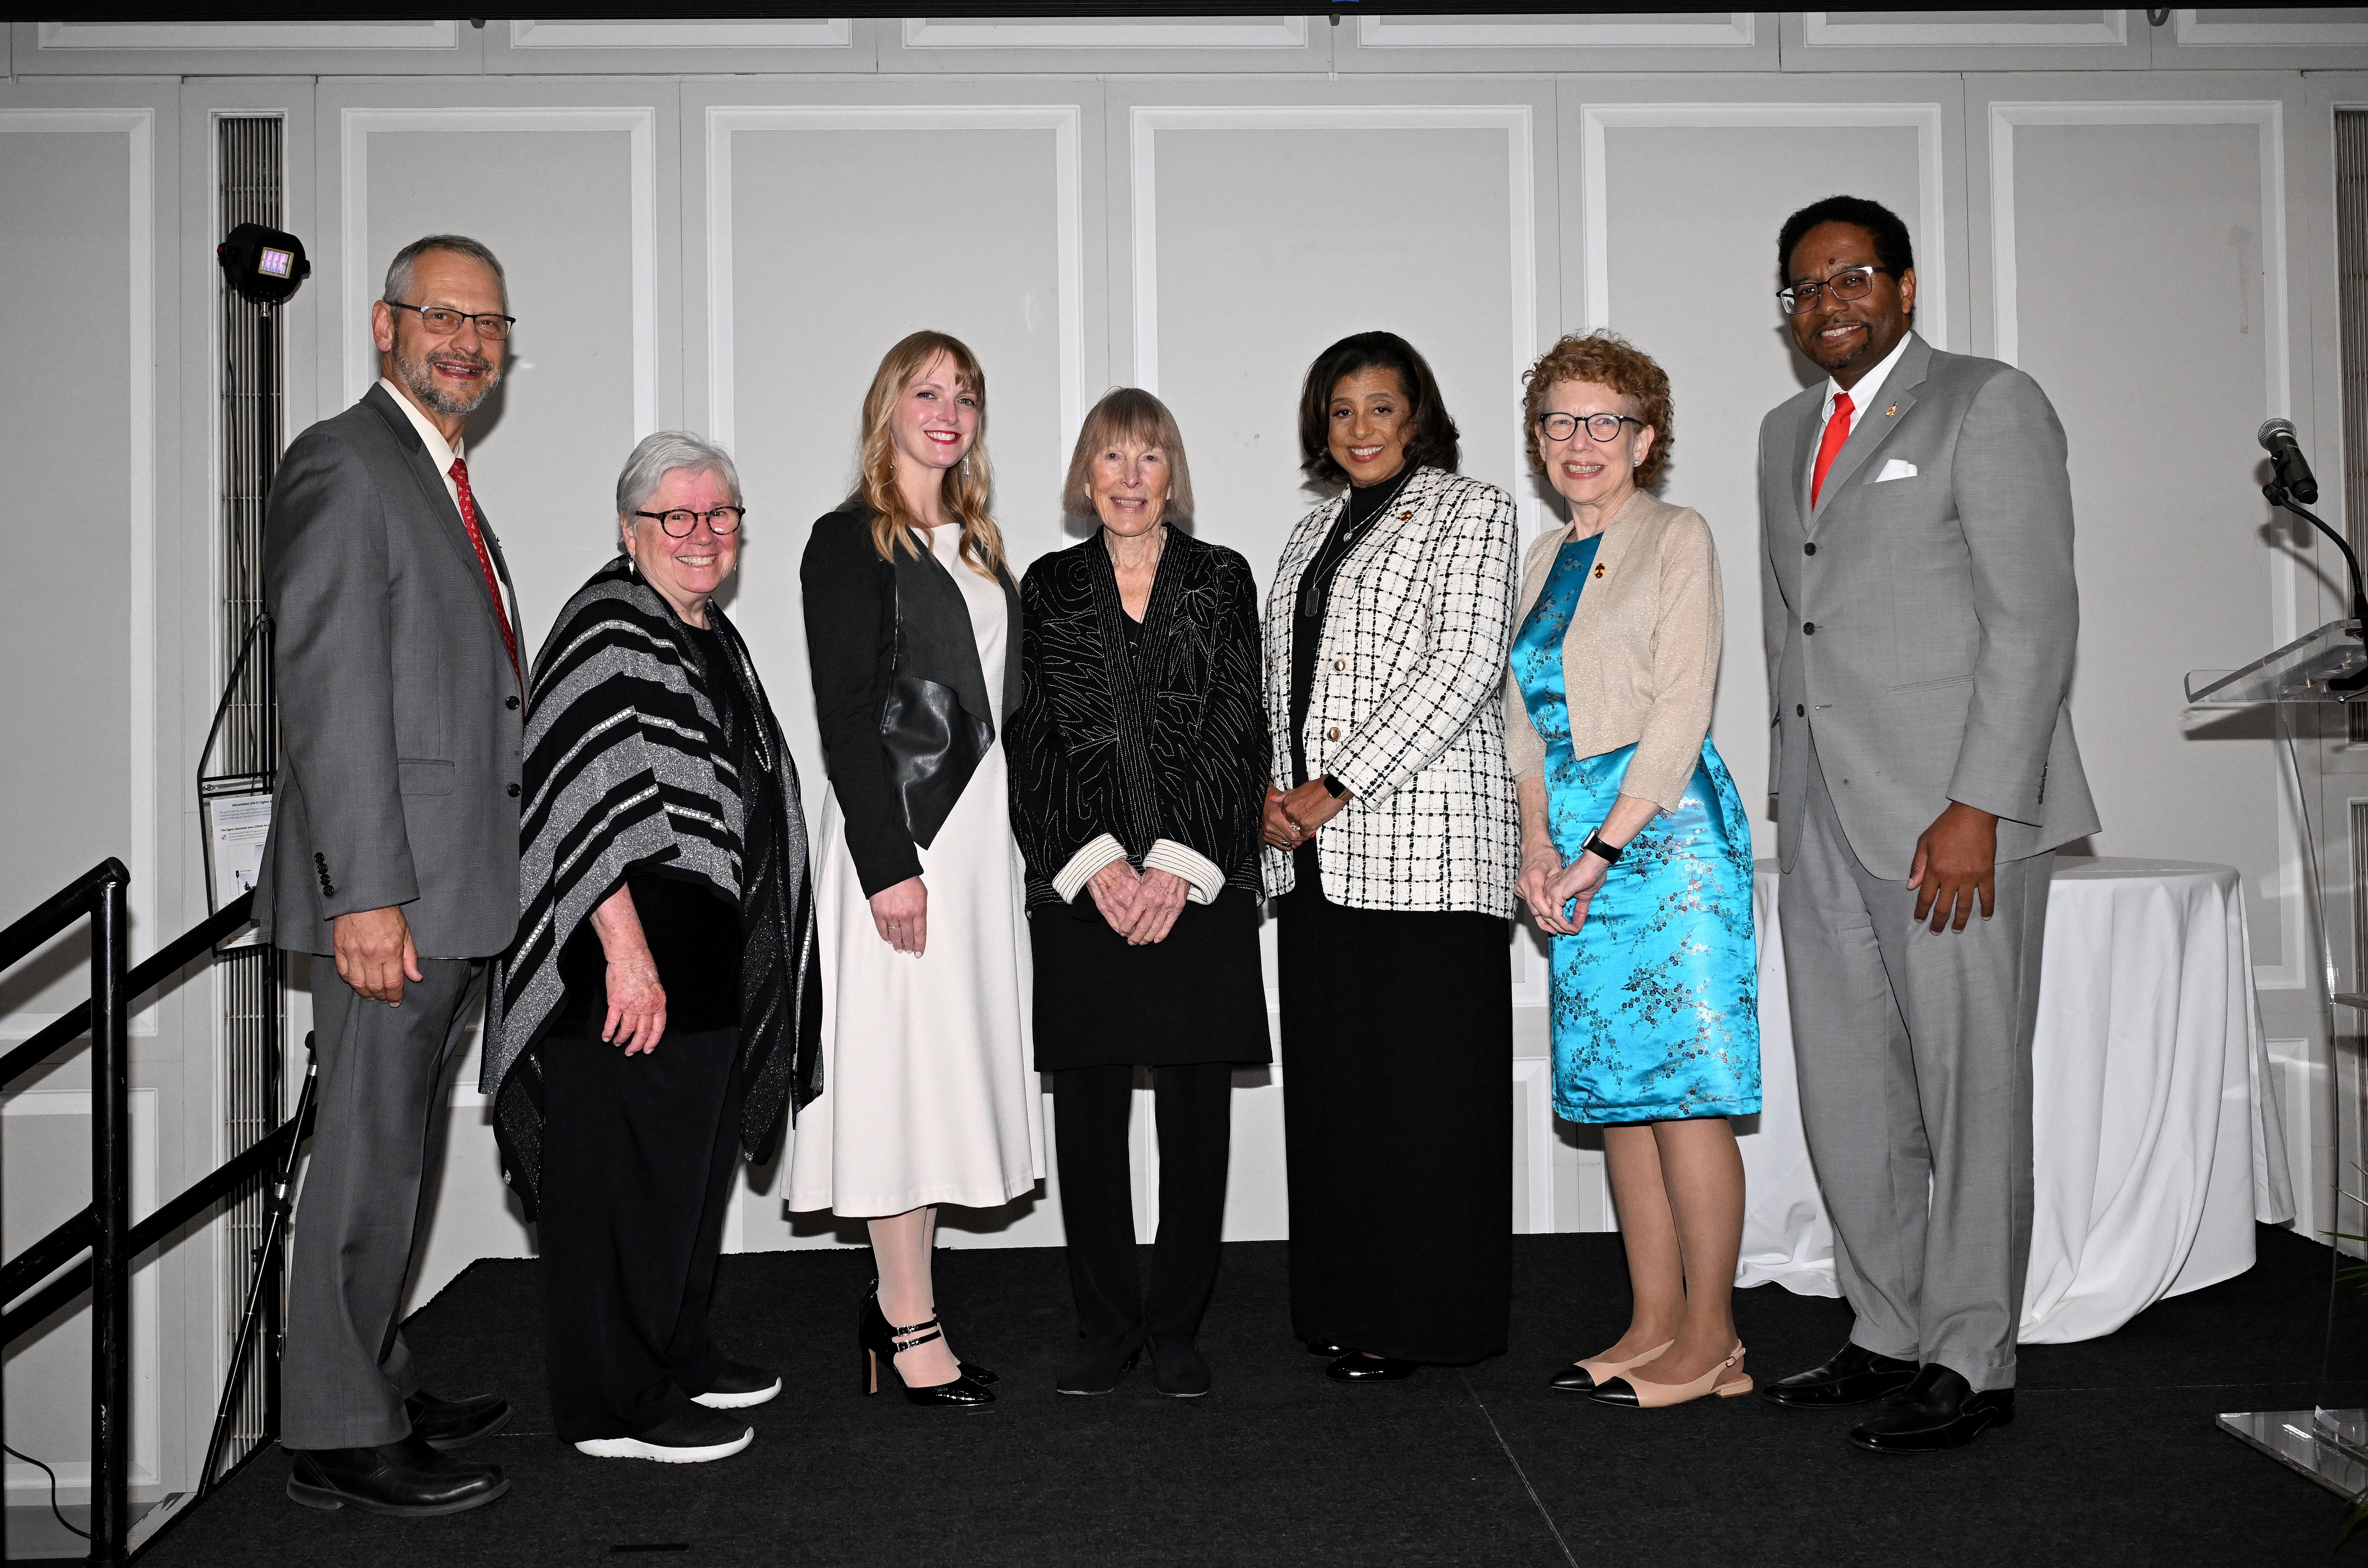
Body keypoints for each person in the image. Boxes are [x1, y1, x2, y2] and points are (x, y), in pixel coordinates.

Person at [1756, 195, 2096, 1453]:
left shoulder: (1986, 402)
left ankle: (1972, 1354)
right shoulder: (1784, 429)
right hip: (1829, 817)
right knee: (1850, 1090)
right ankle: (1885, 1326)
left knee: (1969, 1092)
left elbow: (2035, 619)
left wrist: (1980, 805)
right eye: (1803, 286)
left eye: (1851, 277)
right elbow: (1802, 627)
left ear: (1904, 285)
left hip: (1954, 820)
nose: (1827, 301)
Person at [483, 433, 823, 1463]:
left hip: (706, 957)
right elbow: (581, 794)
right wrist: (627, 953)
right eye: (678, 516)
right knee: (615, 1184)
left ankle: (673, 1351)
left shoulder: (706, 632)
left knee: (686, 1173)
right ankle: (609, 1402)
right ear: (630, 529)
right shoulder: (603, 626)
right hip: (623, 964)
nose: (704, 534)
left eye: (721, 515)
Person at [256, 234, 521, 1515]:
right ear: (384, 323)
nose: (465, 340)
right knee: (365, 1158)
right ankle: (338, 1432)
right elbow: (329, 690)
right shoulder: (345, 462)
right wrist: (363, 891)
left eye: (487, 323)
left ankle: (377, 1373)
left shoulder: (438, 476)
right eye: (441, 316)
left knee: (396, 1154)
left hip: (446, 887)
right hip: (393, 898)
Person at [1504, 334, 1760, 1410]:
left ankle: (1716, 1338)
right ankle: (1655, 1322)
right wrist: (1536, 843)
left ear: (1645, 438)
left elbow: (1681, 706)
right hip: (1572, 846)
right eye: (1560, 420)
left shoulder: (1678, 536)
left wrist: (1605, 846)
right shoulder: (1535, 560)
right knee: (1620, 1095)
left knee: (1687, 1092)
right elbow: (1521, 725)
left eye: (1605, 420)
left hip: (1666, 839)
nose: (1581, 440)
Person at [788, 331, 1042, 1406]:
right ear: (887, 405)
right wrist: (891, 866)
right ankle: (907, 1319)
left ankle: (899, 1298)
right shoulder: (846, 542)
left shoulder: (980, 545)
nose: (948, 411)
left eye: (965, 395)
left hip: (980, 850)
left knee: (939, 1074)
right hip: (902, 847)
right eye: (927, 391)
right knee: (895, 1074)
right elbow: (846, 717)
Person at [1263, 331, 1521, 1382]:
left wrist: (1330, 788)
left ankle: (1427, 1315)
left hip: (1426, 853)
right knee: (1339, 1096)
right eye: (1341, 410)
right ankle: (1344, 1302)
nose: (1362, 428)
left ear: (1418, 415)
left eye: (1382, 406)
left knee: (1424, 1101)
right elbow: (1284, 686)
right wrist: (1268, 797)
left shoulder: (1475, 510)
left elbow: (1461, 665)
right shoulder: (1308, 531)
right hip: (1316, 864)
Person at [1010, 389, 1271, 1399]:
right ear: (1085, 476)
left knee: (1198, 1111)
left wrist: (1177, 864)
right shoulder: (1048, 585)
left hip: (1199, 887)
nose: (1128, 476)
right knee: (1088, 1112)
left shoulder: (1222, 578)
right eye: (1110, 457)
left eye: (1148, 457)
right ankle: (1105, 1325)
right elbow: (1032, 739)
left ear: (1174, 475)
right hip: (1087, 893)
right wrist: (1099, 864)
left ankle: (1176, 1328)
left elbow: (1238, 726)